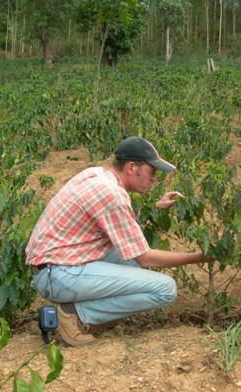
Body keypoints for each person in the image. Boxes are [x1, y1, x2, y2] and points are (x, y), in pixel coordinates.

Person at [25, 136, 210, 346]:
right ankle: (72, 313)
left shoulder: (95, 175)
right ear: (132, 168)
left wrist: (155, 208)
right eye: (152, 172)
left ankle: (83, 311)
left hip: (52, 266)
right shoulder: (112, 194)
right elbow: (146, 258)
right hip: (57, 275)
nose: (154, 179)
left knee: (129, 258)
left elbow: (118, 223)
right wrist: (199, 257)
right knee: (165, 289)